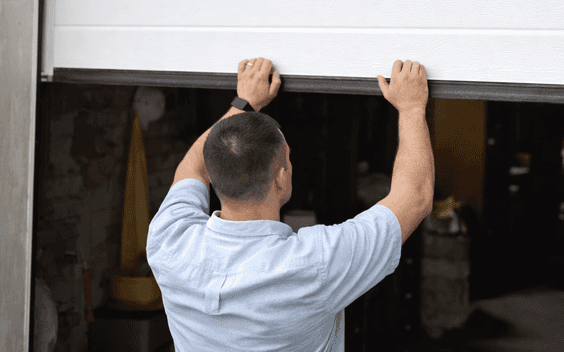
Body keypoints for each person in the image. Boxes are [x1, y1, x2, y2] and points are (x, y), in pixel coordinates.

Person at [146, 57, 435, 352]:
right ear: (281, 178)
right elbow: (416, 197)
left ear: (215, 176)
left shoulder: (168, 239)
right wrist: (411, 108)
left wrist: (244, 102)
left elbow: (192, 168)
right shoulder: (314, 264)